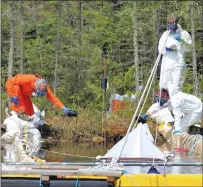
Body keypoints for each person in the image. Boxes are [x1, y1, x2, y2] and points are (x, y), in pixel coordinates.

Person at [5, 74, 77, 117]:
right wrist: (12, 95)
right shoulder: (27, 79)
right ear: (36, 86)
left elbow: (53, 98)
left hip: (25, 95)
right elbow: (9, 82)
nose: (39, 95)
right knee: (16, 87)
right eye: (38, 93)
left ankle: (27, 119)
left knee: (31, 114)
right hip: (16, 93)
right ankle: (16, 114)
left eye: (41, 94)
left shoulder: (45, 87)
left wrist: (64, 108)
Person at [158, 15, 192, 91]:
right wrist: (167, 49)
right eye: (169, 24)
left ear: (176, 23)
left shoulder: (183, 33)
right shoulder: (165, 34)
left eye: (172, 24)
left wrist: (181, 41)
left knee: (177, 85)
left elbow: (189, 47)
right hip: (167, 62)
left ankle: (176, 101)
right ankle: (164, 101)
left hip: (178, 62)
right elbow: (160, 48)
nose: (170, 26)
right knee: (164, 84)